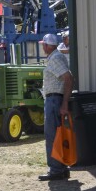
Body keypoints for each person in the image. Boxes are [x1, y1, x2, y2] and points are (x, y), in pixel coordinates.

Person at [38, 33, 73, 181]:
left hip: (54, 100)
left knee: (52, 135)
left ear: (46, 45)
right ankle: (61, 167)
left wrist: (64, 102)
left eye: (43, 45)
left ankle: (56, 169)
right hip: (54, 99)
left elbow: (68, 78)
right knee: (57, 135)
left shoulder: (56, 58)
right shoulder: (56, 57)